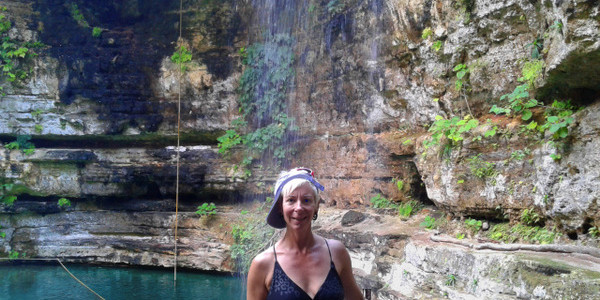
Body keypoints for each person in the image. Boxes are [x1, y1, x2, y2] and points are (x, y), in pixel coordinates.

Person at [247, 168, 364, 300]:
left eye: (306, 200)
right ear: (280, 207)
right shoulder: (263, 264)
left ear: (316, 206)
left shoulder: (337, 252)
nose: (299, 208)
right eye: (291, 200)